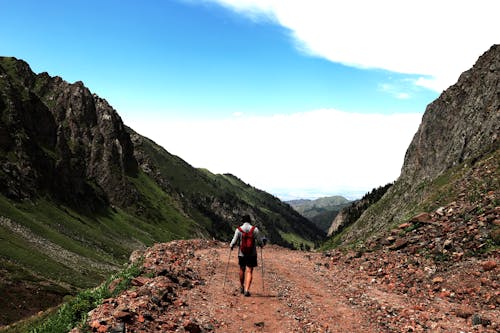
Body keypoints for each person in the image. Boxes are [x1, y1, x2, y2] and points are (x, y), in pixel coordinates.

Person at [230, 214, 266, 297]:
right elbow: (260, 242)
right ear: (250, 220)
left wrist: (231, 246)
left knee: (242, 269)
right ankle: (247, 290)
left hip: (241, 253)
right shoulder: (254, 229)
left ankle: (242, 287)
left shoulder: (238, 230)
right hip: (252, 254)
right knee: (249, 270)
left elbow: (233, 241)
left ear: (242, 221)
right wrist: (262, 244)